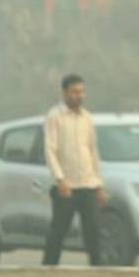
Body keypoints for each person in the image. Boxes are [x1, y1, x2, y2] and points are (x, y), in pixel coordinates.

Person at [42, 74, 105, 266]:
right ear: (65, 93)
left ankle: (98, 270)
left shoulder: (87, 118)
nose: (79, 96)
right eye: (75, 92)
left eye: (82, 92)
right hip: (66, 186)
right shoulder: (55, 117)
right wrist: (60, 179)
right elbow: (50, 150)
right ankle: (48, 269)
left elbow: (93, 151)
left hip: (88, 183)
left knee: (93, 230)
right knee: (59, 230)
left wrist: (99, 184)